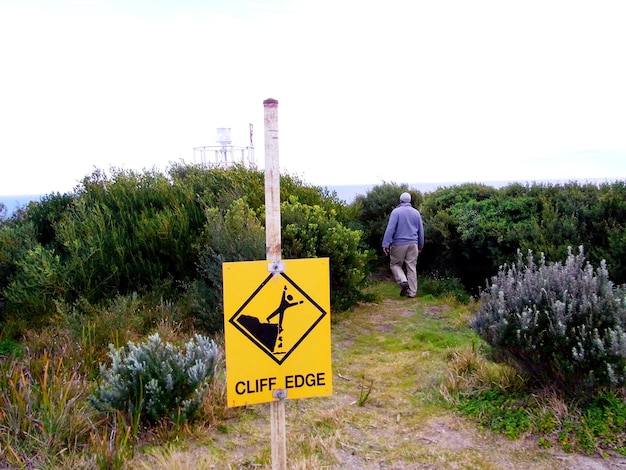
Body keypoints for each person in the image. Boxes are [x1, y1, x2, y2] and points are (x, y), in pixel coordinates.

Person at [382, 192, 424, 298]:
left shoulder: (396, 212)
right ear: (409, 201)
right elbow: (421, 231)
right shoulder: (416, 213)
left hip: (399, 243)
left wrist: (385, 244)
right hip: (413, 243)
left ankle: (403, 281)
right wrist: (420, 245)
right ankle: (412, 292)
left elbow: (390, 229)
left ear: (400, 201)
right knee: (411, 267)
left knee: (395, 264)